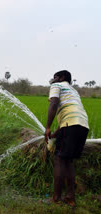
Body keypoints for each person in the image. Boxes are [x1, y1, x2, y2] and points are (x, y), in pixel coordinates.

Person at [44, 70, 89, 206]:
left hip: (70, 124)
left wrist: (47, 127)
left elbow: (54, 103)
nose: (53, 79)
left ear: (62, 77)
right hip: (82, 125)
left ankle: (55, 198)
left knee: (58, 159)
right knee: (68, 161)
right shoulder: (74, 91)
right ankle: (70, 197)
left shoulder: (57, 86)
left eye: (55, 76)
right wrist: (55, 134)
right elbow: (67, 116)